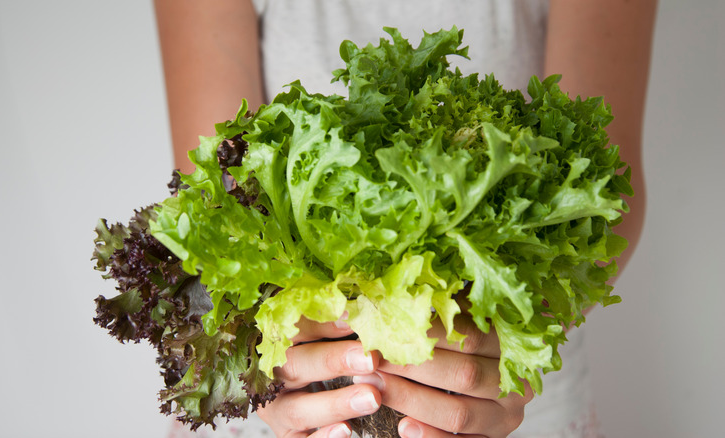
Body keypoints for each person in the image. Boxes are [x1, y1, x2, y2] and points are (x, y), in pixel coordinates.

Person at [154, 1, 655, 437]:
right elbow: (214, 199)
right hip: (295, 398)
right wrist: (270, 350)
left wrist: (511, 337)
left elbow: (598, 195)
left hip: (499, 403)